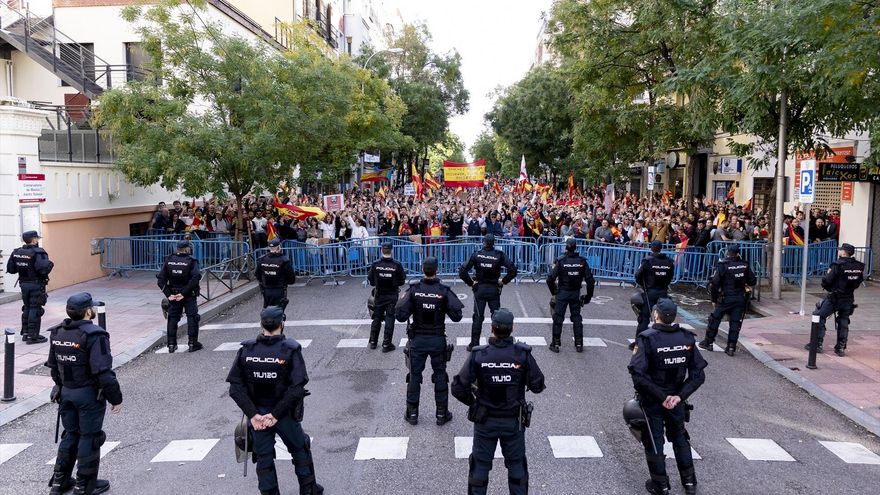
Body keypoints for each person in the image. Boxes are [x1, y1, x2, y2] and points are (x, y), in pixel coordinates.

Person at [227, 306, 323, 495]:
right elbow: (297, 388)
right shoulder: (290, 350)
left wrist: (253, 415)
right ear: (282, 324)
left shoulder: (247, 350)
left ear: (260, 324)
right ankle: (308, 489)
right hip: (284, 413)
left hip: (258, 415)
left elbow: (235, 388)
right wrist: (276, 415)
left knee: (263, 457)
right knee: (300, 448)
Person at [451, 308, 545, 495]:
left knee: (479, 469)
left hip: (485, 420)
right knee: (517, 468)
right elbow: (538, 385)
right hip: (513, 422)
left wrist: (474, 403)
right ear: (512, 328)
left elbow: (458, 388)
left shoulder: (479, 355)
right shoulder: (522, 354)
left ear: (492, 328)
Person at [46, 293, 123, 495]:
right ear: (88, 311)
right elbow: (103, 372)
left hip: (66, 393)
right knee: (90, 438)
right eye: (92, 307)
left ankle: (59, 482)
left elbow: (54, 367)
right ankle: (84, 486)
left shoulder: (57, 332)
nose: (94, 310)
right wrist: (116, 399)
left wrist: (60, 387)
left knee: (71, 435)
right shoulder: (94, 335)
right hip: (88, 395)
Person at [628, 298, 706, 495]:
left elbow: (638, 375)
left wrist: (662, 397)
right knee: (680, 437)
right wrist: (678, 396)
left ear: (656, 315)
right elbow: (698, 375)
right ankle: (689, 483)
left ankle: (660, 485)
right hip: (676, 399)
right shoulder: (687, 338)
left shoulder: (647, 338)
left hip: (653, 399)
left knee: (654, 440)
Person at [396, 257, 464, 426]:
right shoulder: (443, 291)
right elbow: (457, 316)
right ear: (437, 270)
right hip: (437, 340)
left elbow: (400, 315)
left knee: (414, 376)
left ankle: (412, 413)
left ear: (422, 269)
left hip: (418, 340)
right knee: (440, 376)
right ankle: (441, 413)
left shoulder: (413, 290)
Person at [459, 234, 518, 351]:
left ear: (484, 242)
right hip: (493, 289)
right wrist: (503, 282)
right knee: (496, 316)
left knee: (478, 317)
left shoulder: (477, 254)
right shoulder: (499, 255)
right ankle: (500, 342)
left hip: (480, 289)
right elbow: (513, 270)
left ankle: (474, 345)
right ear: (494, 243)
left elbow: (462, 271)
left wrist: (471, 283)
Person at [804, 243, 864, 356]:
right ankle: (840, 347)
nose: (838, 251)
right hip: (848, 298)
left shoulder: (837, 264)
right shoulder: (858, 265)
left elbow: (827, 280)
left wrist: (827, 285)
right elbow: (858, 282)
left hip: (835, 297)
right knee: (843, 321)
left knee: (819, 316)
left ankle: (817, 344)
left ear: (844, 252)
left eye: (840, 249)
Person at [699, 244, 757, 356]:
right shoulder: (744, 265)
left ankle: (708, 342)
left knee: (714, 319)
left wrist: (714, 300)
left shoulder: (723, 265)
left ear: (727, 253)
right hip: (739, 298)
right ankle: (731, 347)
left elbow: (715, 284)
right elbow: (752, 281)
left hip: (725, 298)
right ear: (738, 253)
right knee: (735, 323)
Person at [546, 237, 595, 353]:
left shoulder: (561, 261)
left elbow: (550, 279)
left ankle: (555, 344)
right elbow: (590, 281)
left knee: (558, 318)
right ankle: (579, 343)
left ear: (566, 247)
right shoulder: (582, 261)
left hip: (562, 292)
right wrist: (588, 296)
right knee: (576, 318)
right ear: (575, 247)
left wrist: (554, 292)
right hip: (575, 293)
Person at [6, 230, 54, 344]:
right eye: (37, 239)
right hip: (36, 284)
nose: (37, 241)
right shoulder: (38, 253)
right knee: (35, 309)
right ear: (33, 240)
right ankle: (33, 337)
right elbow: (43, 270)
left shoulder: (16, 252)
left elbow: (11, 269)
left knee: (27, 307)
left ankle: (26, 333)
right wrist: (50, 264)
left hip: (23, 284)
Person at [157, 240, 203, 353]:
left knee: (172, 318)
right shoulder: (191, 261)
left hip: (174, 294)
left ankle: (171, 344)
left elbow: (161, 279)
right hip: (188, 294)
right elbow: (196, 278)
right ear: (187, 249)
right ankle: (192, 343)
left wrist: (169, 295)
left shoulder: (169, 260)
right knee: (192, 317)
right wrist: (183, 293)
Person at [633, 241, 675, 347]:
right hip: (663, 292)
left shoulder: (647, 261)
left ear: (651, 248)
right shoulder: (669, 261)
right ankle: (664, 342)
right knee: (663, 318)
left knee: (644, 318)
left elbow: (637, 276)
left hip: (650, 292)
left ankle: (639, 343)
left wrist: (644, 285)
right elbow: (671, 276)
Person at [367, 241, 406, 351]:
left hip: (379, 294)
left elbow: (371, 280)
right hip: (392, 294)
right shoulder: (396, 265)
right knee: (390, 318)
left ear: (381, 250)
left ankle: (373, 342)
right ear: (391, 251)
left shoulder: (375, 264)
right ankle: (386, 343)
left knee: (377, 317)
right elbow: (402, 280)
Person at [256, 238, 296, 313]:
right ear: (279, 247)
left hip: (266, 290)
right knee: (279, 312)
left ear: (269, 248)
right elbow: (292, 279)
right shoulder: (284, 260)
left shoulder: (262, 259)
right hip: (279, 289)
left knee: (267, 311)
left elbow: (257, 275)